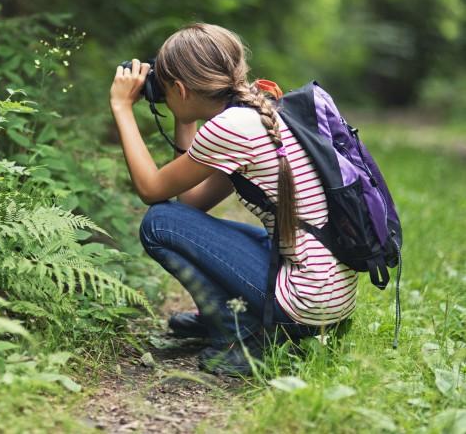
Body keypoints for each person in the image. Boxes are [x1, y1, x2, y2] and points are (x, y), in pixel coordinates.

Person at [109, 22, 357, 376]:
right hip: (330, 294)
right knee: (192, 225)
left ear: (179, 88)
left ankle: (240, 337)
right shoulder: (259, 111)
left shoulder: (231, 128)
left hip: (308, 301)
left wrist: (122, 108)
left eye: (167, 89)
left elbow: (152, 191)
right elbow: (193, 203)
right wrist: (185, 115)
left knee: (158, 222)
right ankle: (233, 316)